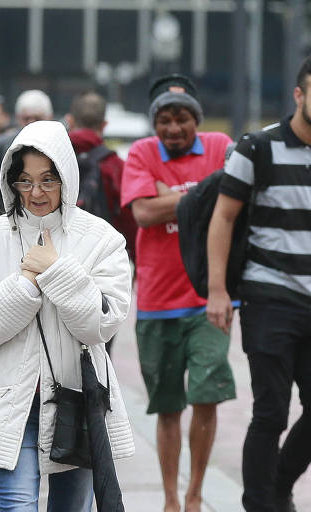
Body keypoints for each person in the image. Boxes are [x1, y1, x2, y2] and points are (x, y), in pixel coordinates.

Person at [0, 119, 133, 511]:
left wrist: (54, 270)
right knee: (15, 505)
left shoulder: (101, 237)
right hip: (9, 400)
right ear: (10, 180)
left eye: (48, 180)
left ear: (67, 178)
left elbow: (101, 324)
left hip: (76, 398)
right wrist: (25, 284)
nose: (36, 192)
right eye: (25, 180)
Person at [120, 73, 235, 512]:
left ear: (196, 121)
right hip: (156, 300)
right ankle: (170, 498)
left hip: (212, 296)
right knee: (168, 407)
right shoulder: (142, 152)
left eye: (183, 119)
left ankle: (194, 497)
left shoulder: (221, 147)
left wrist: (177, 193)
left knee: (207, 394)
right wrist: (205, 193)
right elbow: (145, 213)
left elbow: (234, 195)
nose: (173, 128)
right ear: (155, 124)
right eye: (165, 120)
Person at [207, 57, 311, 512]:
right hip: (270, 295)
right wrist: (217, 290)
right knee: (271, 411)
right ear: (299, 94)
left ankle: (278, 486)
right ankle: (260, 505)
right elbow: (223, 219)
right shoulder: (259, 147)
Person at [65, 90, 137, 264]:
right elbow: (130, 221)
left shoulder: (53, 158)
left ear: (70, 120)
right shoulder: (115, 165)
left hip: (56, 256)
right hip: (103, 259)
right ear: (104, 125)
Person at [0, 89, 54, 220]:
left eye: (37, 118)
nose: (31, 123)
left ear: (49, 118)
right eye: (26, 118)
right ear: (18, 119)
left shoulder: (60, 149)